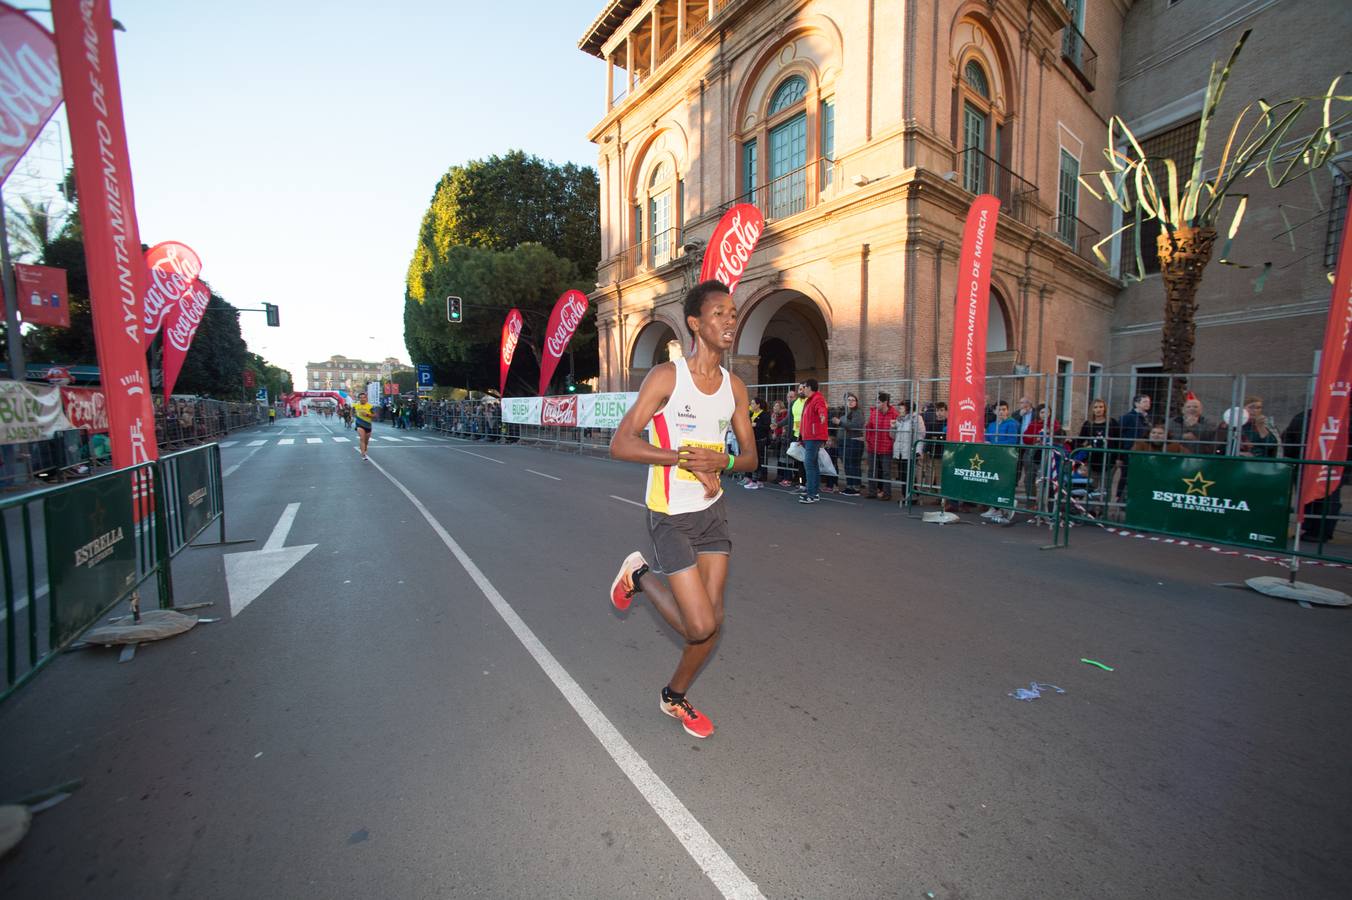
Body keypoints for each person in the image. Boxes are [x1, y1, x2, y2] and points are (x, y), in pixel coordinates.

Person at [607, 280, 756, 740]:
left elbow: (750, 458)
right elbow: (621, 444)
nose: (729, 320)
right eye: (719, 313)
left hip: (713, 512)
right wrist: (685, 457)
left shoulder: (734, 387)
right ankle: (639, 574)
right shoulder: (667, 377)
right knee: (699, 624)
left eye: (733, 313)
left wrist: (725, 461)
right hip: (670, 512)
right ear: (695, 323)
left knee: (712, 627)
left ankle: (674, 698)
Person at [982, 400, 1020, 519]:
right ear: (994, 411)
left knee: (1002, 482)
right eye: (999, 409)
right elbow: (986, 437)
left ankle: (1000, 507)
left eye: (1004, 409)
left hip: (1006, 458)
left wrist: (992, 443)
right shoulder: (992, 425)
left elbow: (1012, 441)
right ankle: (995, 507)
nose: (1002, 412)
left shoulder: (1012, 423)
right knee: (993, 482)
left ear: (1007, 410)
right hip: (993, 457)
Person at [1077, 398, 1119, 502]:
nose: (1098, 409)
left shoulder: (1112, 423)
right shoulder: (1088, 424)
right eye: (1096, 407)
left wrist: (1119, 458)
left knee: (1105, 488)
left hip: (1109, 460)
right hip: (1093, 460)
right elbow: (1080, 441)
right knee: (1093, 486)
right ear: (1092, 409)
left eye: (1101, 407)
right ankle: (1092, 511)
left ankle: (1102, 511)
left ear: (1105, 409)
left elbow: (1119, 441)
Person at [864, 392, 899, 500]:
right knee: (872, 470)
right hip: (873, 446)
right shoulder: (874, 413)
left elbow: (896, 431)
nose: (876, 404)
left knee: (886, 472)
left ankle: (887, 493)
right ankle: (872, 492)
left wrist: (892, 443)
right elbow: (868, 427)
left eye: (878, 402)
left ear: (885, 402)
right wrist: (868, 440)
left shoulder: (894, 414)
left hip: (886, 447)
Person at [798, 379, 828, 503]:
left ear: (809, 387)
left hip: (814, 436)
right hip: (809, 436)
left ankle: (811, 494)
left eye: (804, 387)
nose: (802, 389)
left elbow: (821, 408)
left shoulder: (817, 398)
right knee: (813, 465)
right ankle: (814, 493)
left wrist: (822, 415)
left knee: (809, 464)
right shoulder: (809, 400)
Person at [891, 400, 926, 499]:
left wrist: (918, 450)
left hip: (910, 450)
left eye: (901, 408)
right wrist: (892, 427)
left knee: (909, 475)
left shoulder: (917, 418)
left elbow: (920, 435)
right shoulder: (899, 419)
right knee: (903, 475)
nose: (899, 410)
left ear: (907, 409)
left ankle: (911, 495)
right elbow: (893, 436)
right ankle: (906, 495)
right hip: (900, 451)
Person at [832, 392, 865, 496]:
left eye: (852, 400)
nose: (850, 402)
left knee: (853, 464)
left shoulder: (857, 412)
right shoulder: (846, 413)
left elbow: (856, 426)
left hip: (853, 441)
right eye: (848, 400)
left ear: (856, 402)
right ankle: (849, 486)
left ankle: (855, 488)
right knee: (847, 465)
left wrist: (840, 423)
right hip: (843, 442)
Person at [744, 396, 771, 489]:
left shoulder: (765, 414)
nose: (751, 405)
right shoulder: (751, 414)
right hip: (752, 439)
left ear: (758, 405)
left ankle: (756, 481)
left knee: (757, 460)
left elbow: (767, 426)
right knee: (753, 459)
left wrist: (756, 424)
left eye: (753, 403)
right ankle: (754, 480)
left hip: (760, 440)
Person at [770, 400, 791, 485]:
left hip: (784, 437)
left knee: (785, 458)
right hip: (777, 437)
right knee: (778, 457)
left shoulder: (784, 414)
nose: (775, 407)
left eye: (777, 406)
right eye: (774, 406)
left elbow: (783, 424)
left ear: (781, 407)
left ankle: (787, 477)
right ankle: (779, 476)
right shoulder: (774, 415)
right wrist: (774, 433)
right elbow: (773, 425)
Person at [352, 394, 374, 460]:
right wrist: (352, 416)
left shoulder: (370, 406)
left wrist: (367, 414)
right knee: (362, 438)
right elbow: (352, 411)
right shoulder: (355, 405)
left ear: (366, 398)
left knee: (366, 441)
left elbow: (375, 415)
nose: (362, 399)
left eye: (363, 397)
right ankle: (363, 454)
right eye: (360, 398)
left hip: (368, 425)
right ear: (359, 399)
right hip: (359, 424)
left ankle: (364, 450)